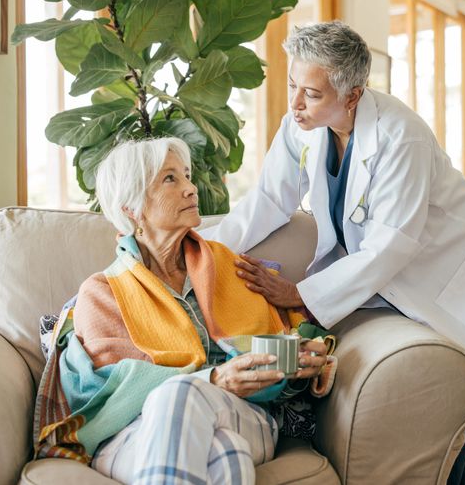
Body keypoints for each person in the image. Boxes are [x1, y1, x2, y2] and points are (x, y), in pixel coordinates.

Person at [202, 20, 465, 483]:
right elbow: (268, 199)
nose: (294, 104)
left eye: (311, 93)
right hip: (380, 278)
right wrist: (206, 252)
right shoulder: (300, 126)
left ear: (352, 95)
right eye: (292, 86)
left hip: (444, 278)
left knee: (443, 405)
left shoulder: (400, 136)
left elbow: (391, 246)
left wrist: (301, 294)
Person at [34, 138, 336, 484]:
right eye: (170, 179)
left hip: (243, 413)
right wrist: (214, 379)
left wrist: (306, 355)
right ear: (132, 208)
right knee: (226, 456)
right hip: (131, 431)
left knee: (181, 394)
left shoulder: (230, 267)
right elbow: (113, 390)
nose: (192, 188)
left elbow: (287, 336)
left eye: (188, 176)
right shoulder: (103, 292)